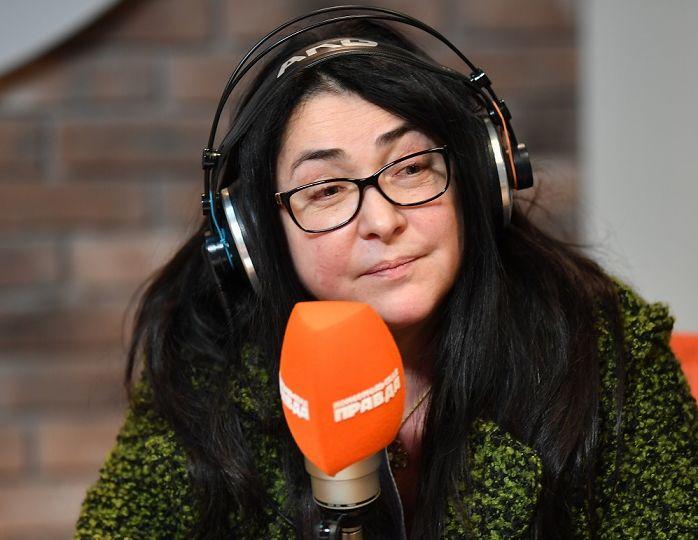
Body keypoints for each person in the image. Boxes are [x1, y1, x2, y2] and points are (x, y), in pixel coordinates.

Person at [74, 7, 697, 540]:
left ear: (480, 177)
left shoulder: (602, 344)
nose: (382, 220)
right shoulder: (206, 370)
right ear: (256, 237)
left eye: (411, 167)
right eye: (325, 190)